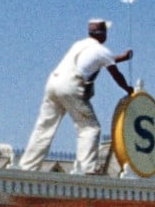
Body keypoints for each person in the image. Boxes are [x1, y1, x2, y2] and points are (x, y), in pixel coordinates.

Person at [19, 19, 133, 174]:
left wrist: (122, 58)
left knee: (44, 126)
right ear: (103, 34)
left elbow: (99, 60)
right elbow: (115, 73)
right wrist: (127, 88)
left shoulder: (79, 45)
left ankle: (28, 167)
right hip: (71, 85)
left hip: (54, 82)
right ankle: (86, 169)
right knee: (90, 128)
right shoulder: (102, 51)